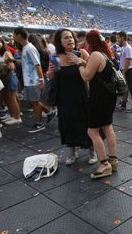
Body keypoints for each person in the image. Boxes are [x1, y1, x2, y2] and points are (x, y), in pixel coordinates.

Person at [70, 30, 118, 179]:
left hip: (99, 99)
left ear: (89, 42)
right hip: (109, 97)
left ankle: (104, 164)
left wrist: (79, 63)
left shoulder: (96, 55)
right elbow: (97, 69)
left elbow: (87, 76)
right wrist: (85, 62)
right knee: (108, 128)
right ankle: (113, 160)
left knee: (93, 131)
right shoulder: (105, 54)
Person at [48, 28, 97, 166]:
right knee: (67, 123)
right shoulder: (55, 56)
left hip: (82, 94)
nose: (70, 40)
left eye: (71, 37)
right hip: (64, 96)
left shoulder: (82, 53)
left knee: (86, 123)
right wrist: (50, 73)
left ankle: (92, 151)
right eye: (66, 38)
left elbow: (92, 71)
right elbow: (51, 76)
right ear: (59, 41)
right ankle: (72, 152)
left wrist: (79, 61)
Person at [13, 27, 55, 133]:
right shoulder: (26, 48)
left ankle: (39, 123)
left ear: (19, 35)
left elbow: (37, 64)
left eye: (14, 34)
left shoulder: (30, 48)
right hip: (29, 80)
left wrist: (41, 79)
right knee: (33, 101)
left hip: (33, 80)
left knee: (35, 102)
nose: (13, 37)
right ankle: (49, 112)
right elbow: (28, 64)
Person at [0, 36, 21, 125]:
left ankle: (17, 117)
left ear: (2, 43)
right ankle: (12, 115)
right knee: (6, 99)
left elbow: (12, 67)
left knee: (12, 99)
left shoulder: (6, 53)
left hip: (9, 78)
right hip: (1, 79)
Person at [116, 31, 132, 113]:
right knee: (125, 88)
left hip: (129, 70)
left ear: (122, 37)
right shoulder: (123, 47)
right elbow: (121, 59)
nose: (117, 39)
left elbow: (129, 61)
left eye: (118, 38)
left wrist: (123, 73)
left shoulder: (128, 48)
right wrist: (115, 52)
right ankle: (123, 105)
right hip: (125, 69)